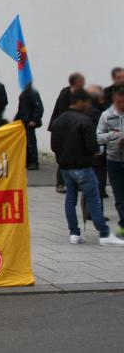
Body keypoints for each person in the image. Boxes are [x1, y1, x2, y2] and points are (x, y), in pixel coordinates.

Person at [50, 89, 124, 246]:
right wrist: (100, 149)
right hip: (83, 167)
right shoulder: (84, 121)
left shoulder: (58, 121)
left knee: (70, 199)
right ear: (81, 102)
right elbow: (93, 146)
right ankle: (104, 234)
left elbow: (54, 146)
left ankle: (74, 233)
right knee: (94, 199)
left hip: (65, 167)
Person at [49, 72, 86, 193]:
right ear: (76, 82)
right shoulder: (66, 93)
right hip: (63, 129)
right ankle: (60, 183)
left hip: (73, 128)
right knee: (64, 156)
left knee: (75, 154)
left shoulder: (79, 94)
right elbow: (63, 112)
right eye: (81, 81)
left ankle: (75, 182)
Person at [97, 86, 124, 236]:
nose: (121, 105)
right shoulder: (106, 115)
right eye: (118, 102)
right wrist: (113, 136)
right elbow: (98, 137)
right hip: (113, 160)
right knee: (119, 196)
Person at [15, 83, 44, 170]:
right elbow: (21, 109)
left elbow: (39, 108)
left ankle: (34, 162)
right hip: (24, 121)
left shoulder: (32, 93)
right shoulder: (24, 94)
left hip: (29, 123)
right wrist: (16, 120)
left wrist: (34, 120)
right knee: (26, 143)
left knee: (31, 142)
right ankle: (27, 161)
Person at [87, 85, 109, 198]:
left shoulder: (82, 110)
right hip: (97, 150)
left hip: (85, 150)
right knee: (98, 174)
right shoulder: (97, 113)